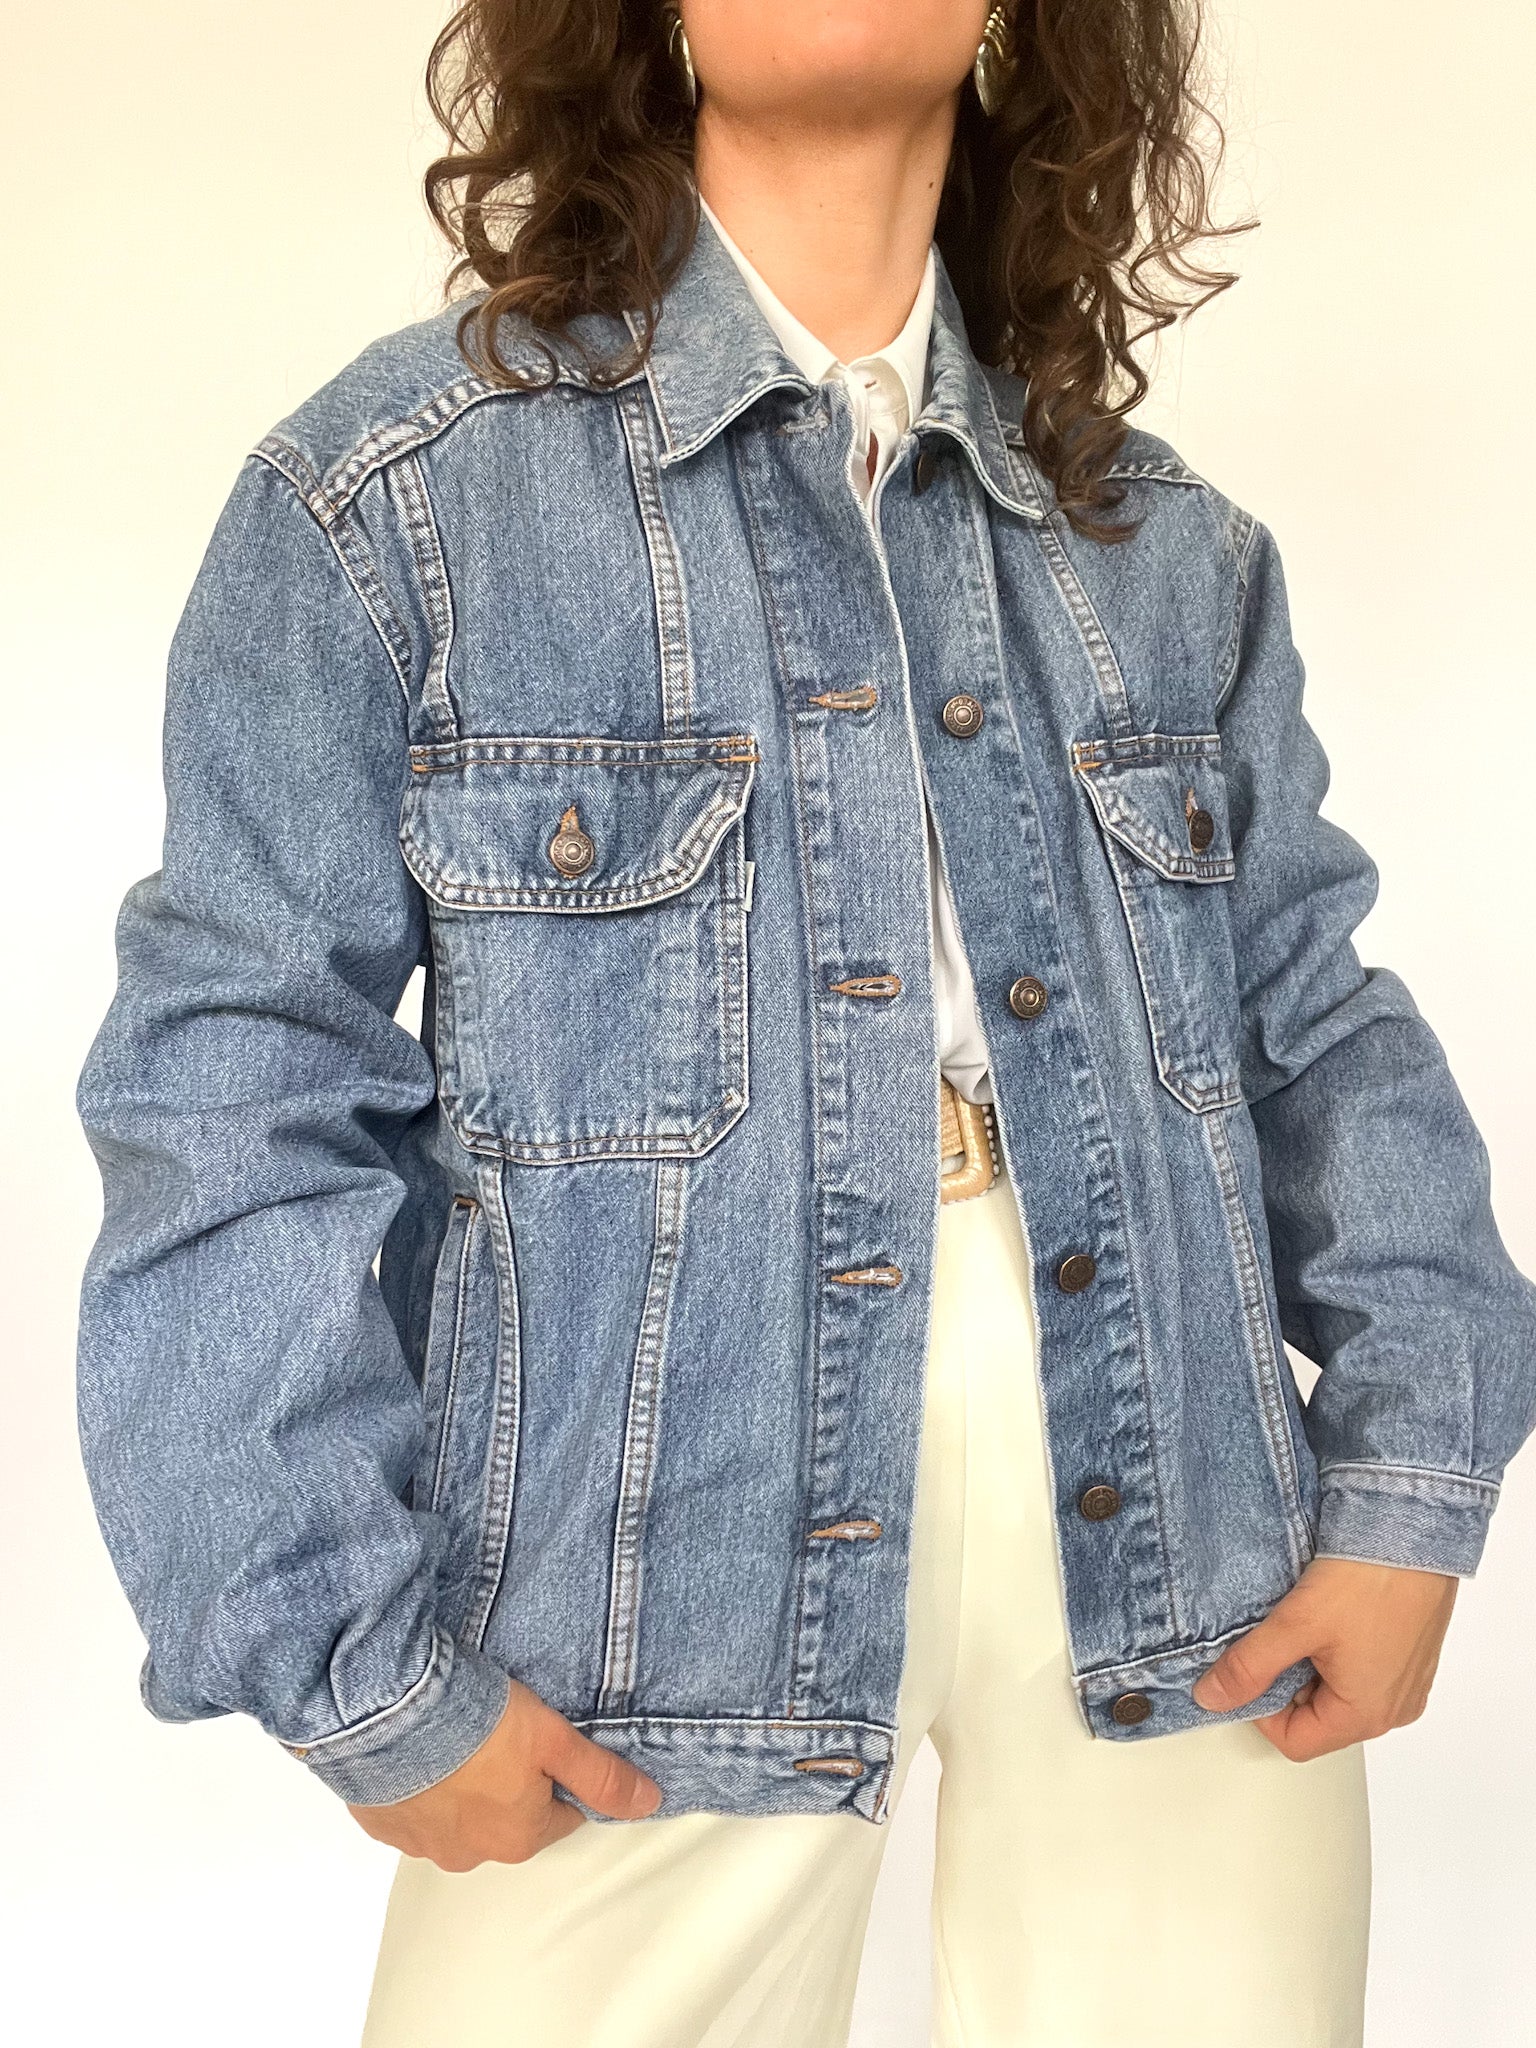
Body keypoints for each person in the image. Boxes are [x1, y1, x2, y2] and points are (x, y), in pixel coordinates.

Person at [74, 3, 1536, 2044]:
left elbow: (1315, 1014)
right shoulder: (391, 498)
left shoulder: (1167, 547)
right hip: (641, 1555)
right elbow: (234, 1083)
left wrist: (1411, 1480)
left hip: (1181, 1503)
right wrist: (351, 1658)